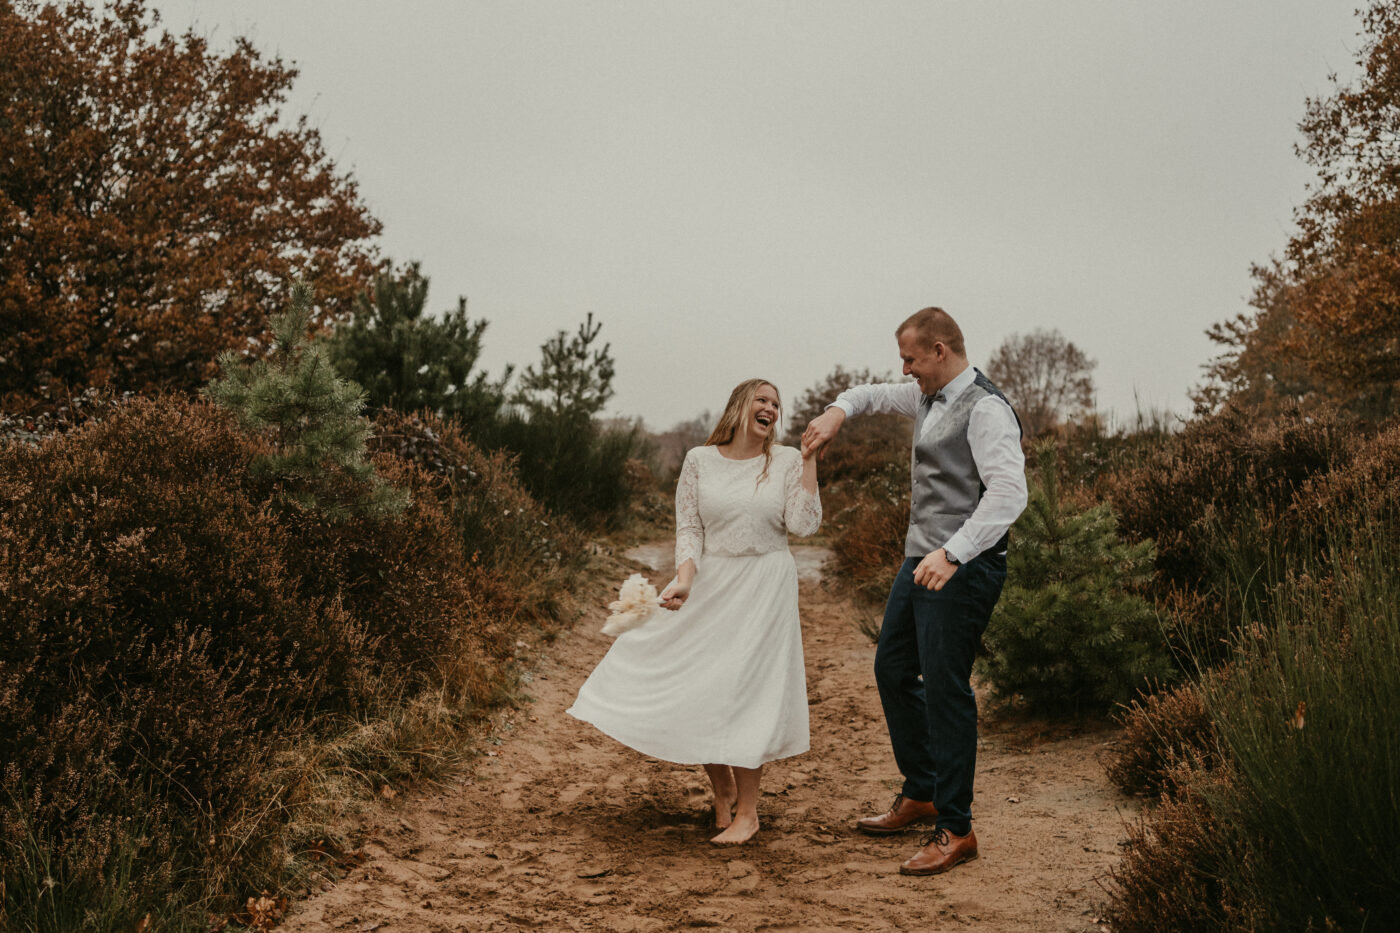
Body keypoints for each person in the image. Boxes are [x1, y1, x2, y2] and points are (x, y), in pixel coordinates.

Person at [801, 306, 1026, 876]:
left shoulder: (987, 409)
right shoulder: (926, 397)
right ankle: (922, 789)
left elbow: (1008, 495)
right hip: (920, 559)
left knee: (947, 688)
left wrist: (954, 554)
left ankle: (956, 827)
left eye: (911, 359)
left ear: (940, 352)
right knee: (893, 666)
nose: (906, 371)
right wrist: (837, 413)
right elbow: (869, 394)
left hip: (963, 566)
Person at [567, 378, 821, 845]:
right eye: (762, 400)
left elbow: (803, 526)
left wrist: (809, 462)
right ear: (740, 406)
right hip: (711, 583)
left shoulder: (785, 460)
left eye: (777, 404)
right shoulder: (699, 461)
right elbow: (689, 529)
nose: (771, 408)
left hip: (766, 586)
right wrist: (684, 579)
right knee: (699, 681)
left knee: (747, 691)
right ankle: (722, 787)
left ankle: (749, 813)